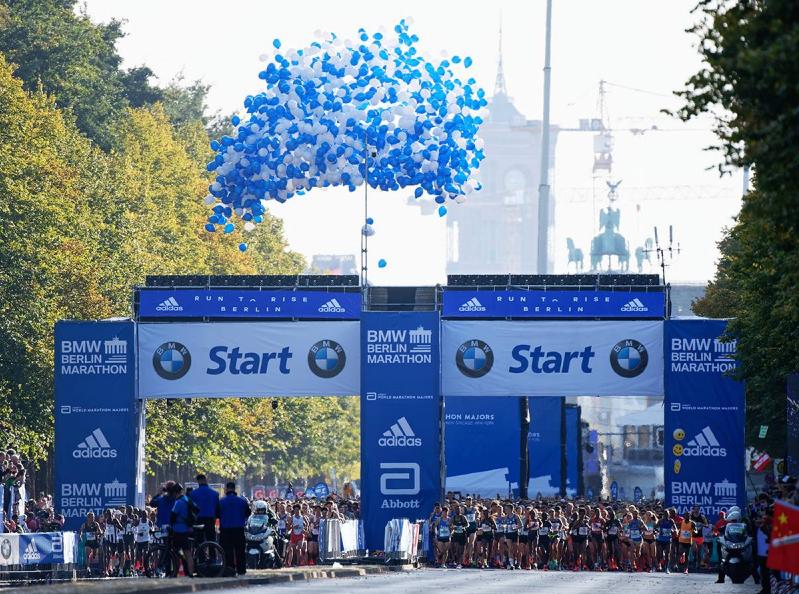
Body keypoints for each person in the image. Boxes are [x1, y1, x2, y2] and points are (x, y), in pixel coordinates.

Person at [218, 481, 250, 575]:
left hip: (226, 529)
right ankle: (241, 570)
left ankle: (230, 569)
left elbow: (217, 514)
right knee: (240, 550)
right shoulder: (242, 501)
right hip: (239, 529)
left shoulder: (221, 501)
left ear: (226, 489)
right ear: (234, 489)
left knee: (227, 551)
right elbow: (247, 513)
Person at [170, 483, 196, 577]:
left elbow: (173, 516)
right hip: (187, 529)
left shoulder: (178, 502)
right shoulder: (187, 499)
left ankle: (175, 573)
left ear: (174, 493)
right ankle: (190, 573)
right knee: (188, 553)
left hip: (178, 530)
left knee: (175, 553)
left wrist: (170, 525)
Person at [189, 474, 220, 544]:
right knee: (211, 540)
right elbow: (217, 509)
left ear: (198, 481)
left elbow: (190, 509)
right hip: (210, 519)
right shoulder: (215, 493)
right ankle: (212, 554)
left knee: (199, 541)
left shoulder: (192, 494)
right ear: (206, 480)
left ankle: (201, 554)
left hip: (198, 520)